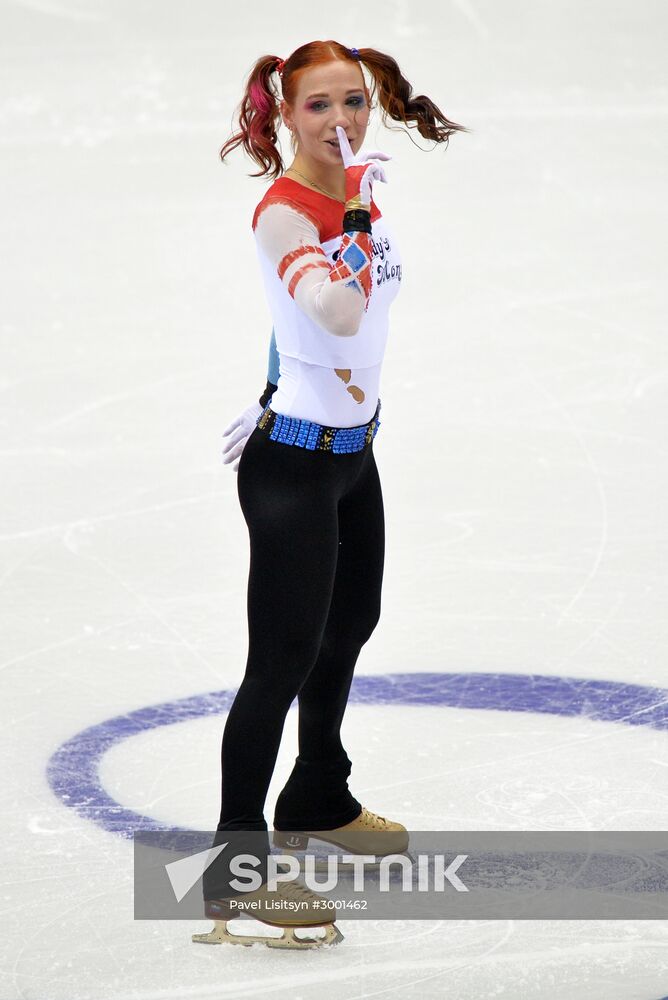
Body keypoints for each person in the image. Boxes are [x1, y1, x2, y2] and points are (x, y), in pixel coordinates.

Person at [194, 39, 467, 950]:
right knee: (280, 660)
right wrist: (351, 212)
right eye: (319, 106)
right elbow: (339, 311)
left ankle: (317, 795)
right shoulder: (287, 213)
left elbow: (311, 330)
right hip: (295, 471)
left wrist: (274, 381)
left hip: (353, 455)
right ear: (284, 114)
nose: (342, 121)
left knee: (350, 627)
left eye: (353, 101)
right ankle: (236, 870)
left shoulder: (358, 197)